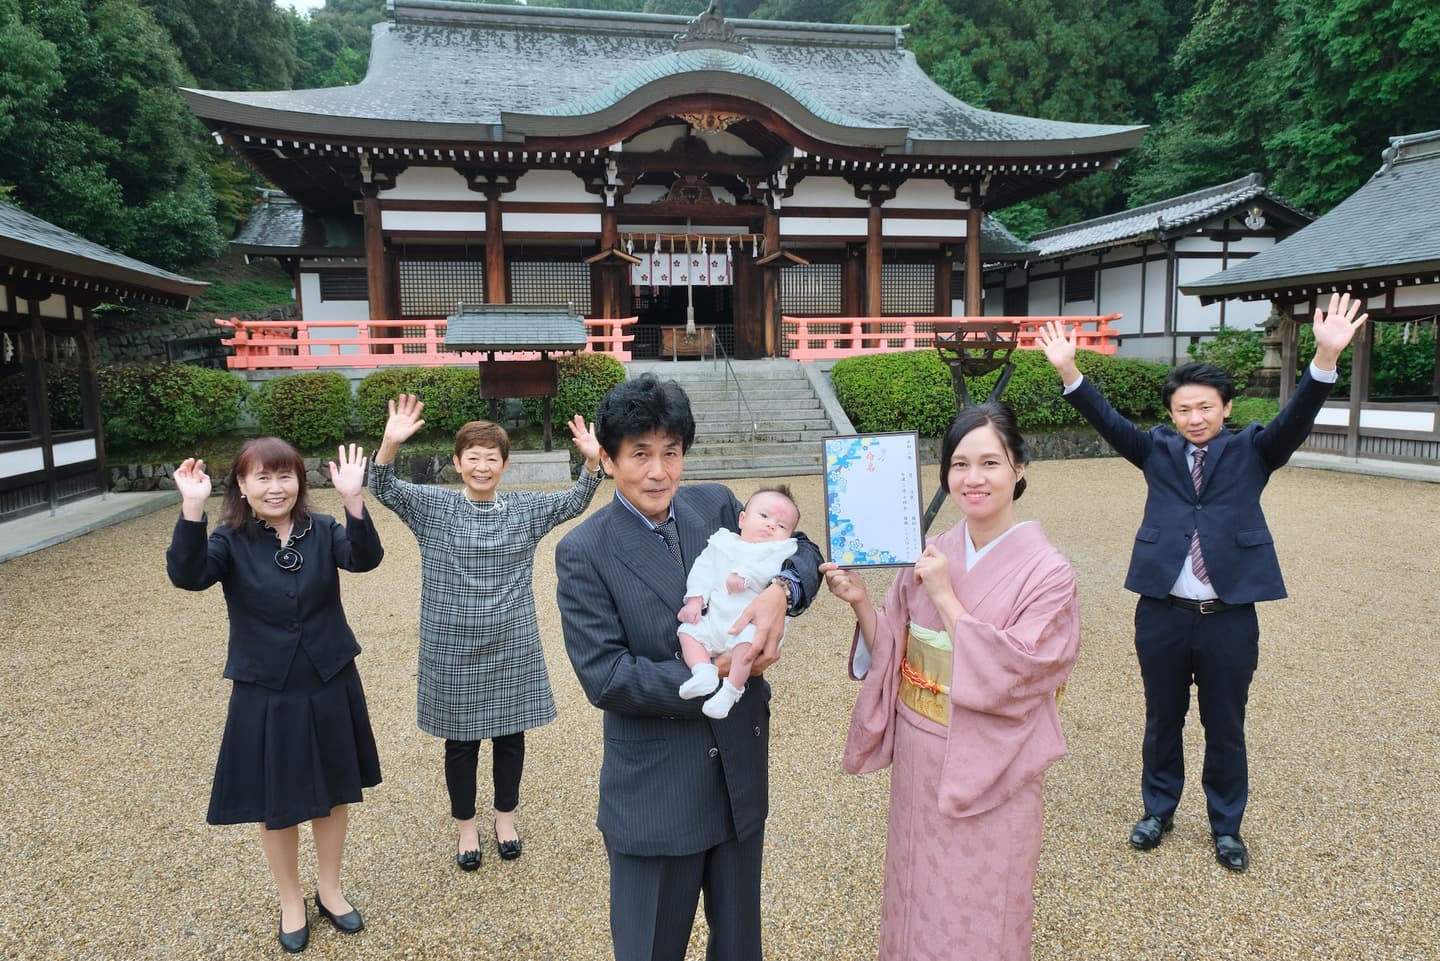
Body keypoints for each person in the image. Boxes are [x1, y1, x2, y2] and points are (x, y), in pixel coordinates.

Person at [1035, 292, 1368, 872]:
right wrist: (1069, 370)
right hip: (1162, 609)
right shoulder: (1155, 450)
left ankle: (1226, 826)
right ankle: (1157, 810)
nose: (1195, 418)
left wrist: (1324, 360)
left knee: (1225, 722)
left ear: (1226, 406)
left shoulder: (1254, 450)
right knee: (1162, 716)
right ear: (1171, 414)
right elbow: (1107, 419)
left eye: (1205, 407)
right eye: (1184, 409)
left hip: (1228, 612)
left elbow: (1296, 418)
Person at [555, 373, 823, 961]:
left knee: (738, 949)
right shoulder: (585, 551)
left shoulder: (716, 503)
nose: (659, 472)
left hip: (737, 774)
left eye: (671, 453)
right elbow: (607, 675)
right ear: (608, 456)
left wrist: (782, 588)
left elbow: (801, 546)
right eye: (640, 454)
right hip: (657, 791)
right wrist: (723, 666)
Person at [821, 402, 1079, 961]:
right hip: (921, 748)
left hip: (993, 756)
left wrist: (944, 597)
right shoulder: (936, 547)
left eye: (990, 462)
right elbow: (893, 645)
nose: (973, 479)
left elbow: (1025, 669)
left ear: (1020, 469)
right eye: (959, 465)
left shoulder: (1049, 571)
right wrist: (863, 602)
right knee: (914, 890)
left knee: (983, 898)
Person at [167, 440, 383, 955]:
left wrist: (354, 502)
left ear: (299, 482)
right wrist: (191, 510)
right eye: (261, 478)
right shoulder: (229, 539)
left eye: (284, 476)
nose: (275, 487)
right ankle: (291, 898)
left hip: (328, 676)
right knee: (276, 799)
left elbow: (364, 560)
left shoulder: (323, 529)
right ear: (241, 485)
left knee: (333, 791)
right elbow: (188, 575)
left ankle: (329, 889)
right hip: (266, 685)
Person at [369, 393, 602, 870]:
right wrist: (390, 442)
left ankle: (505, 818)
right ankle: (466, 828)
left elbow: (576, 500)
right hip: (450, 643)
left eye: (490, 459)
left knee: (511, 737)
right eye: (471, 458)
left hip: (511, 640)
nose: (480, 466)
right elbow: (384, 486)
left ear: (505, 464)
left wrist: (593, 461)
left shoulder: (523, 510)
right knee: (460, 742)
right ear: (456, 462)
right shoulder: (431, 507)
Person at [676, 486, 800, 719]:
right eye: (763, 516)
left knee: (748, 644)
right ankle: (703, 671)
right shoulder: (722, 542)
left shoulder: (779, 549)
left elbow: (774, 569)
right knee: (688, 631)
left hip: (750, 623)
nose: (771, 525)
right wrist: (695, 599)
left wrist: (748, 576)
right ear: (742, 519)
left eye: (781, 526)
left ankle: (731, 690)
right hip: (715, 619)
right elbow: (703, 569)